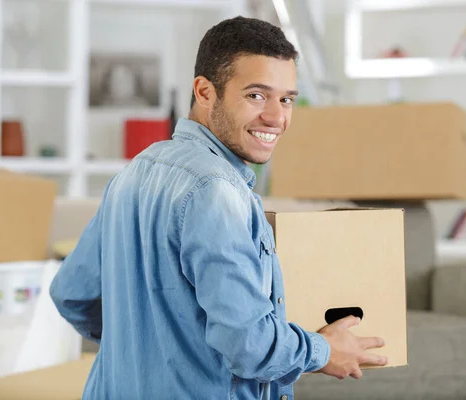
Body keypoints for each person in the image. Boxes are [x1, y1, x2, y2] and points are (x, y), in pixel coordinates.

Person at [50, 16, 387, 400]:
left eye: (286, 99)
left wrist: (151, 346)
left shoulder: (135, 171)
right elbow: (249, 345)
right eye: (256, 95)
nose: (277, 117)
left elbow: (71, 294)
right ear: (205, 91)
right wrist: (323, 350)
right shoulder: (217, 192)